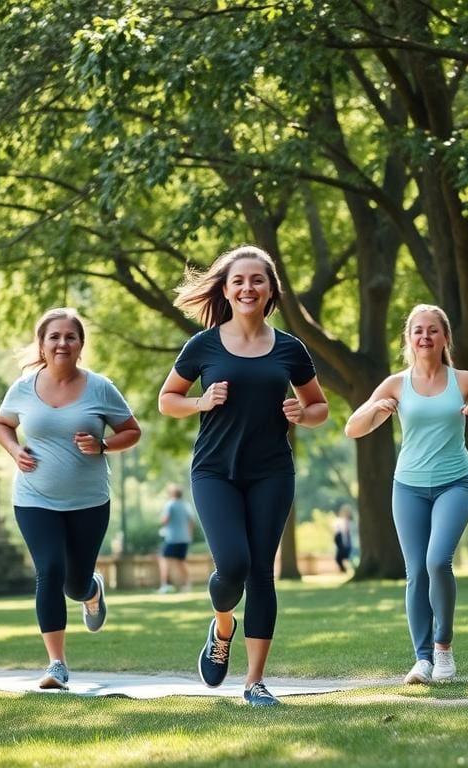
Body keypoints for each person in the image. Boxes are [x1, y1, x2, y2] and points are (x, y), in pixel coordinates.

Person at [158, 244, 328, 707]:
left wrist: (302, 413)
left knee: (260, 573)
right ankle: (222, 625)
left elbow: (319, 407)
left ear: (271, 289)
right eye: (239, 281)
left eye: (257, 280)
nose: (248, 287)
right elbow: (166, 399)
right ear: (227, 291)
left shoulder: (291, 349)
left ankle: (254, 683)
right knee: (231, 565)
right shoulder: (204, 345)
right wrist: (200, 401)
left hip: (271, 472)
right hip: (214, 472)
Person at [345, 304, 468, 684]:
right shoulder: (396, 384)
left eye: (432, 330)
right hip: (407, 486)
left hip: (454, 484)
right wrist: (375, 408)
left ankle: (443, 650)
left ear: (445, 337)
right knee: (415, 574)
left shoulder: (463, 380)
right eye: (417, 331)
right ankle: (422, 660)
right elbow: (353, 428)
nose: (425, 337)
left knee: (437, 561)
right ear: (409, 338)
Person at [0, 307, 141, 691]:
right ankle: (56, 663)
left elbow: (132, 431)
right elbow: (2, 423)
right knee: (50, 571)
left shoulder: (100, 388)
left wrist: (103, 444)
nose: (62, 343)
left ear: (80, 345)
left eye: (69, 337)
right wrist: (13, 450)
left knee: (73, 583)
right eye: (53, 337)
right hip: (34, 498)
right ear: (41, 345)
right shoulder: (23, 388)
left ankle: (90, 590)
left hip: (89, 501)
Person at [157, 484, 196, 593]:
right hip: (184, 538)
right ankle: (187, 585)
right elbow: (192, 521)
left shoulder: (170, 504)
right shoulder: (186, 505)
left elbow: (164, 521)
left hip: (172, 538)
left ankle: (164, 586)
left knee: (163, 560)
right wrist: (188, 533)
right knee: (181, 561)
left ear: (172, 494)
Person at [333, 503, 354, 573]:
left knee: (344, 557)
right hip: (340, 540)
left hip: (345, 542)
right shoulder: (339, 521)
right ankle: (343, 570)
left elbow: (347, 533)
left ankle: (346, 570)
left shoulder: (349, 522)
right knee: (339, 557)